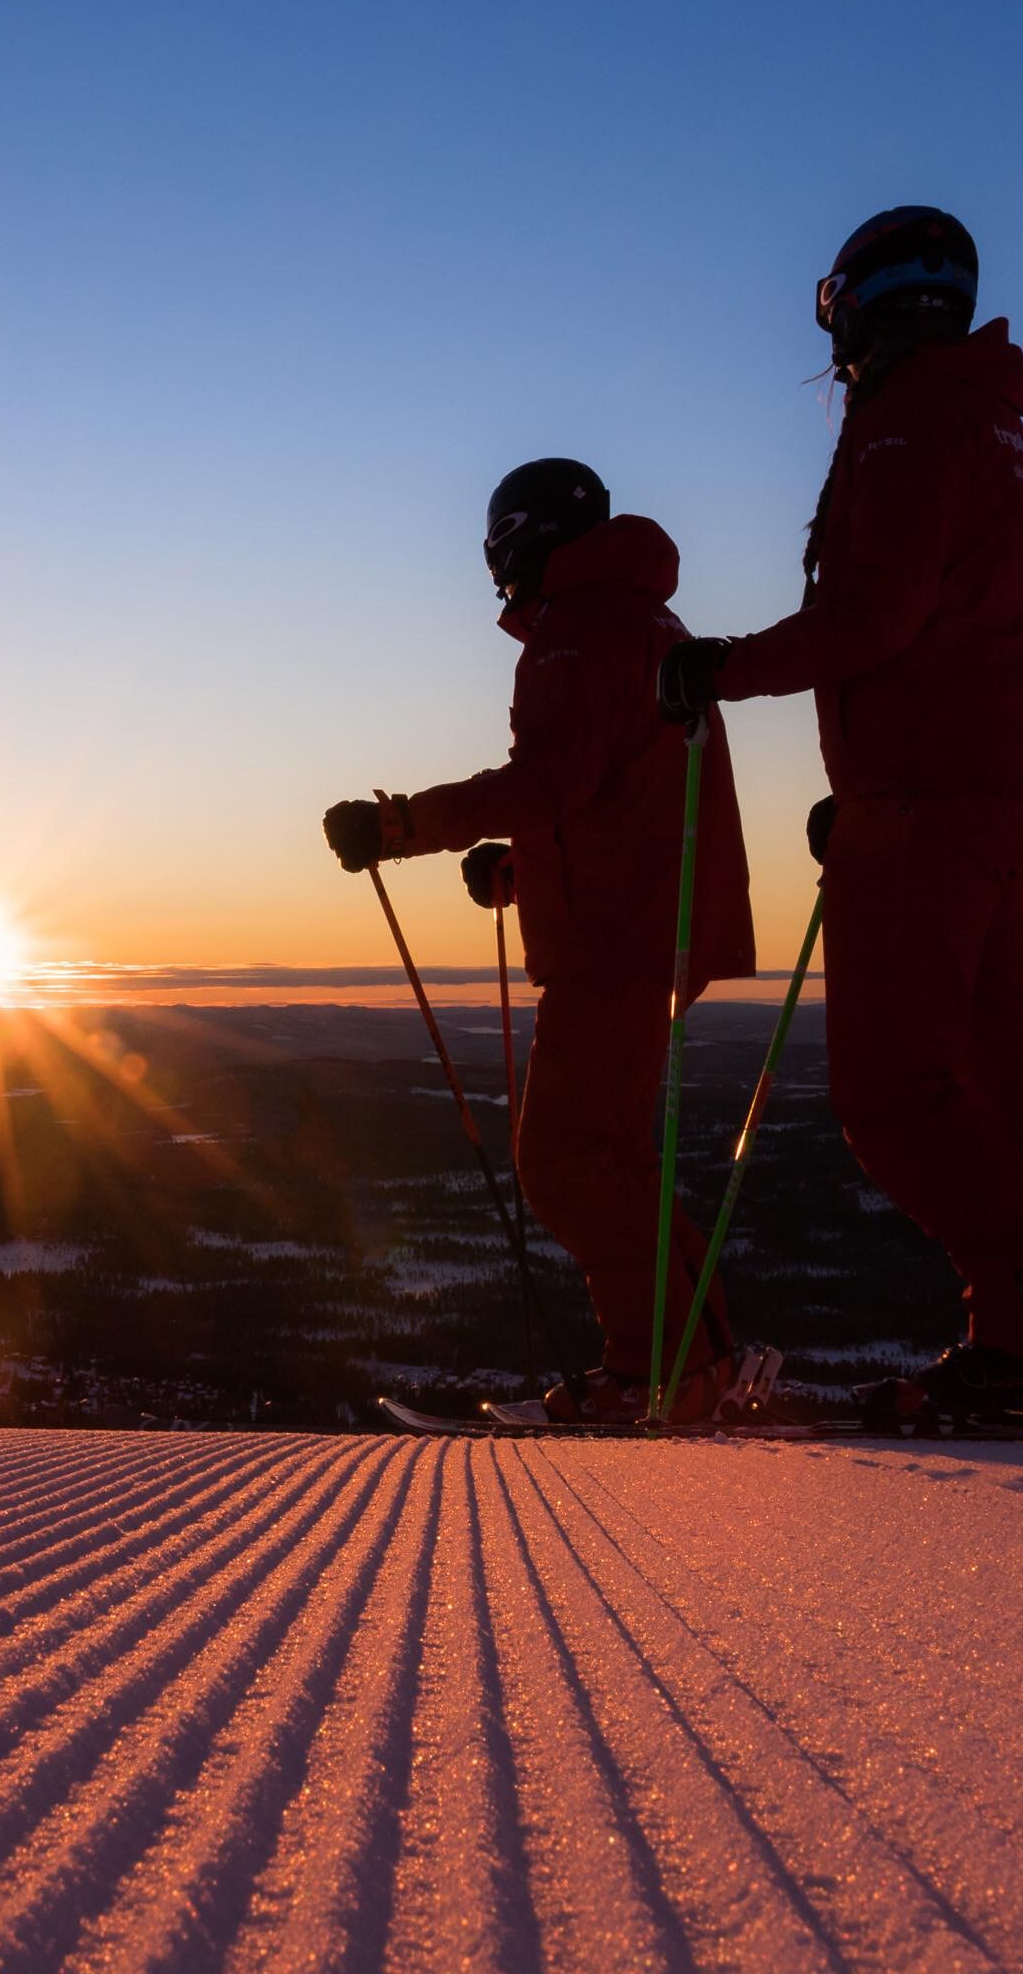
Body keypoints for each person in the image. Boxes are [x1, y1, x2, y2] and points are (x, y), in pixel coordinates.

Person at [658, 207, 1023, 1421]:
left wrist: (718, 667)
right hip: (987, 791)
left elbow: (873, 619)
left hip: (929, 803)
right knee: (1009, 1071)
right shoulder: (989, 418)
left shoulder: (907, 426)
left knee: (891, 1094)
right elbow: (943, 624)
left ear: (854, 304)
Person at [324, 460, 757, 1422]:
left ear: (513, 540)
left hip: (614, 942)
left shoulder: (580, 630)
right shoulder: (641, 620)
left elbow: (552, 780)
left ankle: (662, 1380)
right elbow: (614, 796)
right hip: (643, 927)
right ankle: (697, 1363)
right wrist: (523, 870)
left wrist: (400, 825)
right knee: (610, 1164)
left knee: (563, 1163)